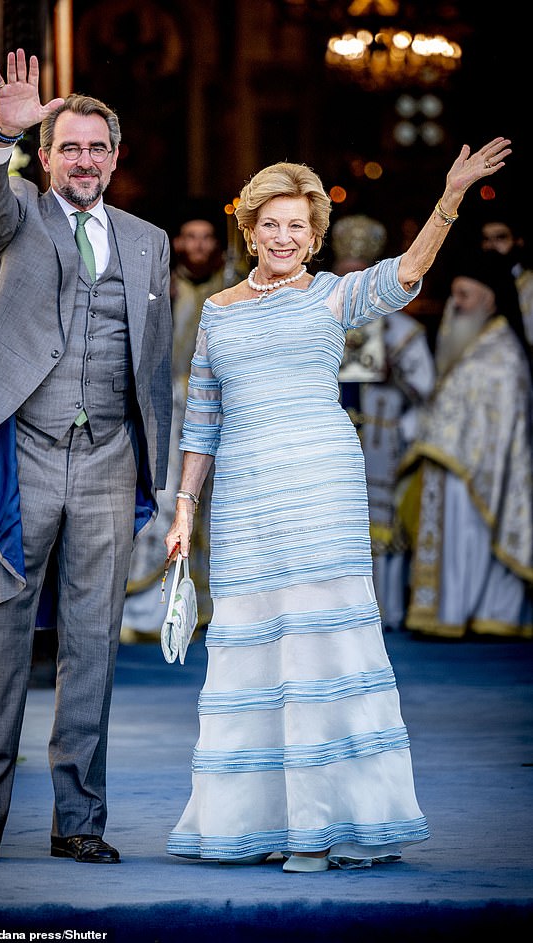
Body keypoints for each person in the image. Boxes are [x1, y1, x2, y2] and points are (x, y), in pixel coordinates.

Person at [163, 136, 512, 872]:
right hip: (248, 497)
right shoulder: (219, 314)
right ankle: (258, 823)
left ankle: (321, 827)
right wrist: (185, 508)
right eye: (271, 223)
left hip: (323, 485)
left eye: (298, 226)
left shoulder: (333, 294)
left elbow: (411, 272)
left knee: (325, 646)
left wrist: (450, 197)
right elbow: (202, 420)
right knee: (254, 647)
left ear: (315, 237)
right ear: (249, 229)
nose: (283, 237)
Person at [0, 49, 173, 866]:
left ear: (116, 156)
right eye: (67, 146)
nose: (82, 160)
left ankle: (80, 820)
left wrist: (161, 473)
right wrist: (2, 131)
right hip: (28, 452)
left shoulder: (150, 242)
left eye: (96, 148)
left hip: (110, 456)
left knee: (92, 643)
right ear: (48, 156)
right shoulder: (21, 216)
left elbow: (155, 362)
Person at [397, 249, 533, 640]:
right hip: (452, 467)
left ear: (489, 299)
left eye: (464, 296)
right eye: (454, 295)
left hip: (477, 476)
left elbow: (501, 425)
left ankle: (476, 613)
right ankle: (452, 613)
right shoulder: (473, 343)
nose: (456, 305)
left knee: (471, 544)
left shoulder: (502, 354)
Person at [121, 206, 238, 636]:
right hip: (167, 409)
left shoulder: (232, 286)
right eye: (190, 236)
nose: (199, 246)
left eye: (206, 237)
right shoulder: (158, 286)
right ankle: (148, 612)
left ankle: (210, 607)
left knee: (219, 504)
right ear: (177, 242)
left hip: (219, 409)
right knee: (168, 498)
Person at [332, 215, 436, 631]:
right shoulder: (318, 317)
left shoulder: (403, 331)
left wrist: (398, 376)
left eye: (362, 276)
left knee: (380, 524)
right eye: (345, 275)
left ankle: (384, 611)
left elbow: (428, 391)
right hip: (331, 435)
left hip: (382, 439)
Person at [480, 212, 533, 349]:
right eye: (486, 239)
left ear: (517, 241)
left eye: (500, 237)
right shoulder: (475, 284)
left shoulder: (529, 283)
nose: (491, 245)